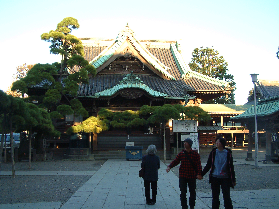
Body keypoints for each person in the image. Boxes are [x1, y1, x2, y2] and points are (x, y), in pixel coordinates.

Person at [166, 138, 202, 209]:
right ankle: (184, 206)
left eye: (186, 143)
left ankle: (192, 206)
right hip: (183, 175)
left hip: (192, 175)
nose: (184, 144)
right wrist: (169, 166)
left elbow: (198, 165)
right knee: (183, 192)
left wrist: (199, 173)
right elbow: (176, 161)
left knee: (192, 192)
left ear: (190, 144)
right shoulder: (181, 153)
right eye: (184, 142)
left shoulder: (195, 154)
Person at [202, 137, 236, 209]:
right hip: (215, 177)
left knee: (226, 196)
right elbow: (208, 165)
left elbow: (231, 167)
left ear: (222, 143)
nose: (216, 143)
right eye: (216, 142)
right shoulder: (213, 152)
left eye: (218, 142)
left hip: (225, 177)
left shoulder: (228, 153)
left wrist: (233, 179)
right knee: (215, 197)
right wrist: (201, 174)